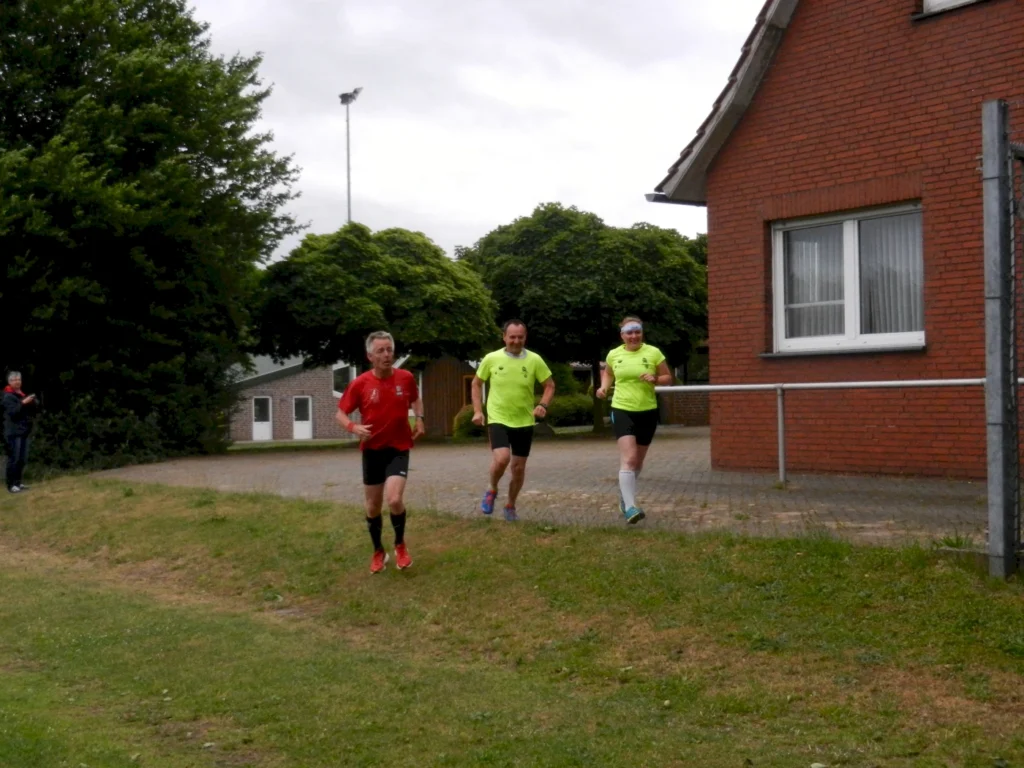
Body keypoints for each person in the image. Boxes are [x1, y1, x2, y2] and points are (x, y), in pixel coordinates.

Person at [336, 332, 425, 574]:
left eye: (389, 350)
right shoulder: (360, 383)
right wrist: (353, 427)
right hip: (372, 450)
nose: (386, 355)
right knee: (373, 506)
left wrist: (419, 418)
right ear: (370, 356)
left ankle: (400, 545)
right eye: (380, 351)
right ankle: (378, 551)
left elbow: (416, 399)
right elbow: (340, 413)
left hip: (399, 447)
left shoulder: (405, 378)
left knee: (394, 499)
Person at [471, 319, 555, 522]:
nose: (516, 341)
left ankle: (510, 505)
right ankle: (492, 488)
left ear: (525, 338)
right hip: (498, 418)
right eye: (512, 337)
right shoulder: (491, 358)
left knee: (518, 468)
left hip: (524, 421)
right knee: (502, 459)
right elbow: (476, 383)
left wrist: (543, 405)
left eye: (520, 337)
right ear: (504, 337)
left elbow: (550, 385)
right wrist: (477, 411)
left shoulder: (534, 360)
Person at [596, 316, 673, 524]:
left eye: (637, 331)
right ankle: (630, 508)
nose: (633, 336)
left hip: (648, 411)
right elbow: (608, 373)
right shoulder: (614, 354)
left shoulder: (653, 352)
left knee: (638, 461)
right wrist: (603, 388)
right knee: (629, 459)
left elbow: (668, 378)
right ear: (622, 335)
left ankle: (625, 497)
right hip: (622, 409)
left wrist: (655, 378)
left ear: (642, 333)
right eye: (629, 332)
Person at [3, 371, 37, 494]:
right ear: (9, 382)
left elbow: (31, 410)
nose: (17, 382)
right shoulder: (8, 396)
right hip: (13, 432)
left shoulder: (21, 394)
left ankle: (18, 482)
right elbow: (13, 412)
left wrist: (32, 401)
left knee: (22, 459)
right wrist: (23, 403)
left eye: (19, 379)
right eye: (14, 380)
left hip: (24, 431)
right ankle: (11, 485)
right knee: (14, 458)